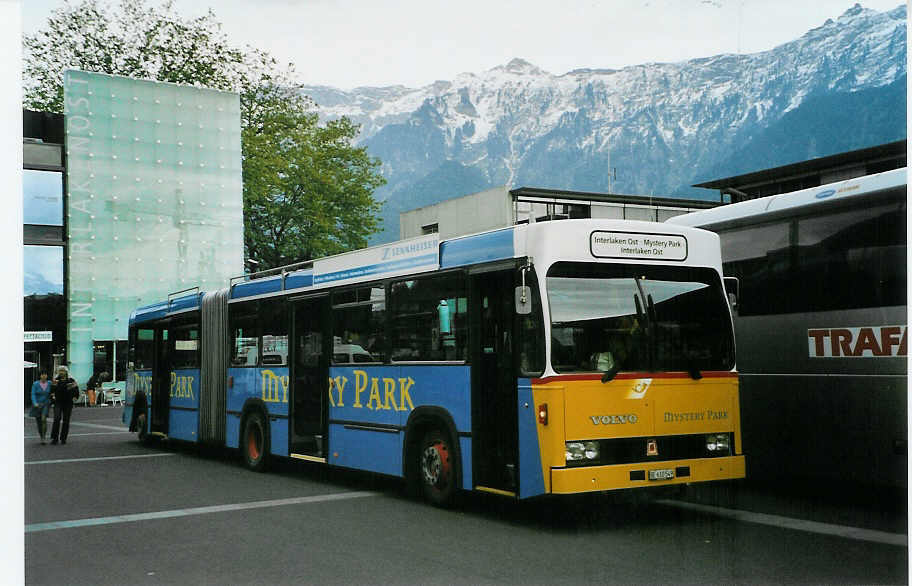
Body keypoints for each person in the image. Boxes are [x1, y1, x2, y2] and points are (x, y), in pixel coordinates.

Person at [49, 366, 78, 445]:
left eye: (63, 371)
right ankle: (54, 438)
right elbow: (51, 391)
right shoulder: (55, 381)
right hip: (58, 402)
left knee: (66, 420)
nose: (61, 372)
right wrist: (52, 398)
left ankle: (63, 438)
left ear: (66, 372)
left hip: (68, 403)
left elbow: (76, 390)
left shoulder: (71, 380)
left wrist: (75, 398)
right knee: (56, 419)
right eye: (60, 371)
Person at [29, 371, 51, 444]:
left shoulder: (50, 383)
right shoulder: (35, 384)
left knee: (43, 419)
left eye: (45, 374)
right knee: (39, 422)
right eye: (42, 374)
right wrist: (35, 403)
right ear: (40, 376)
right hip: (37, 405)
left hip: (45, 404)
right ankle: (41, 436)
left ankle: (44, 437)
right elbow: (33, 394)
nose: (44, 376)